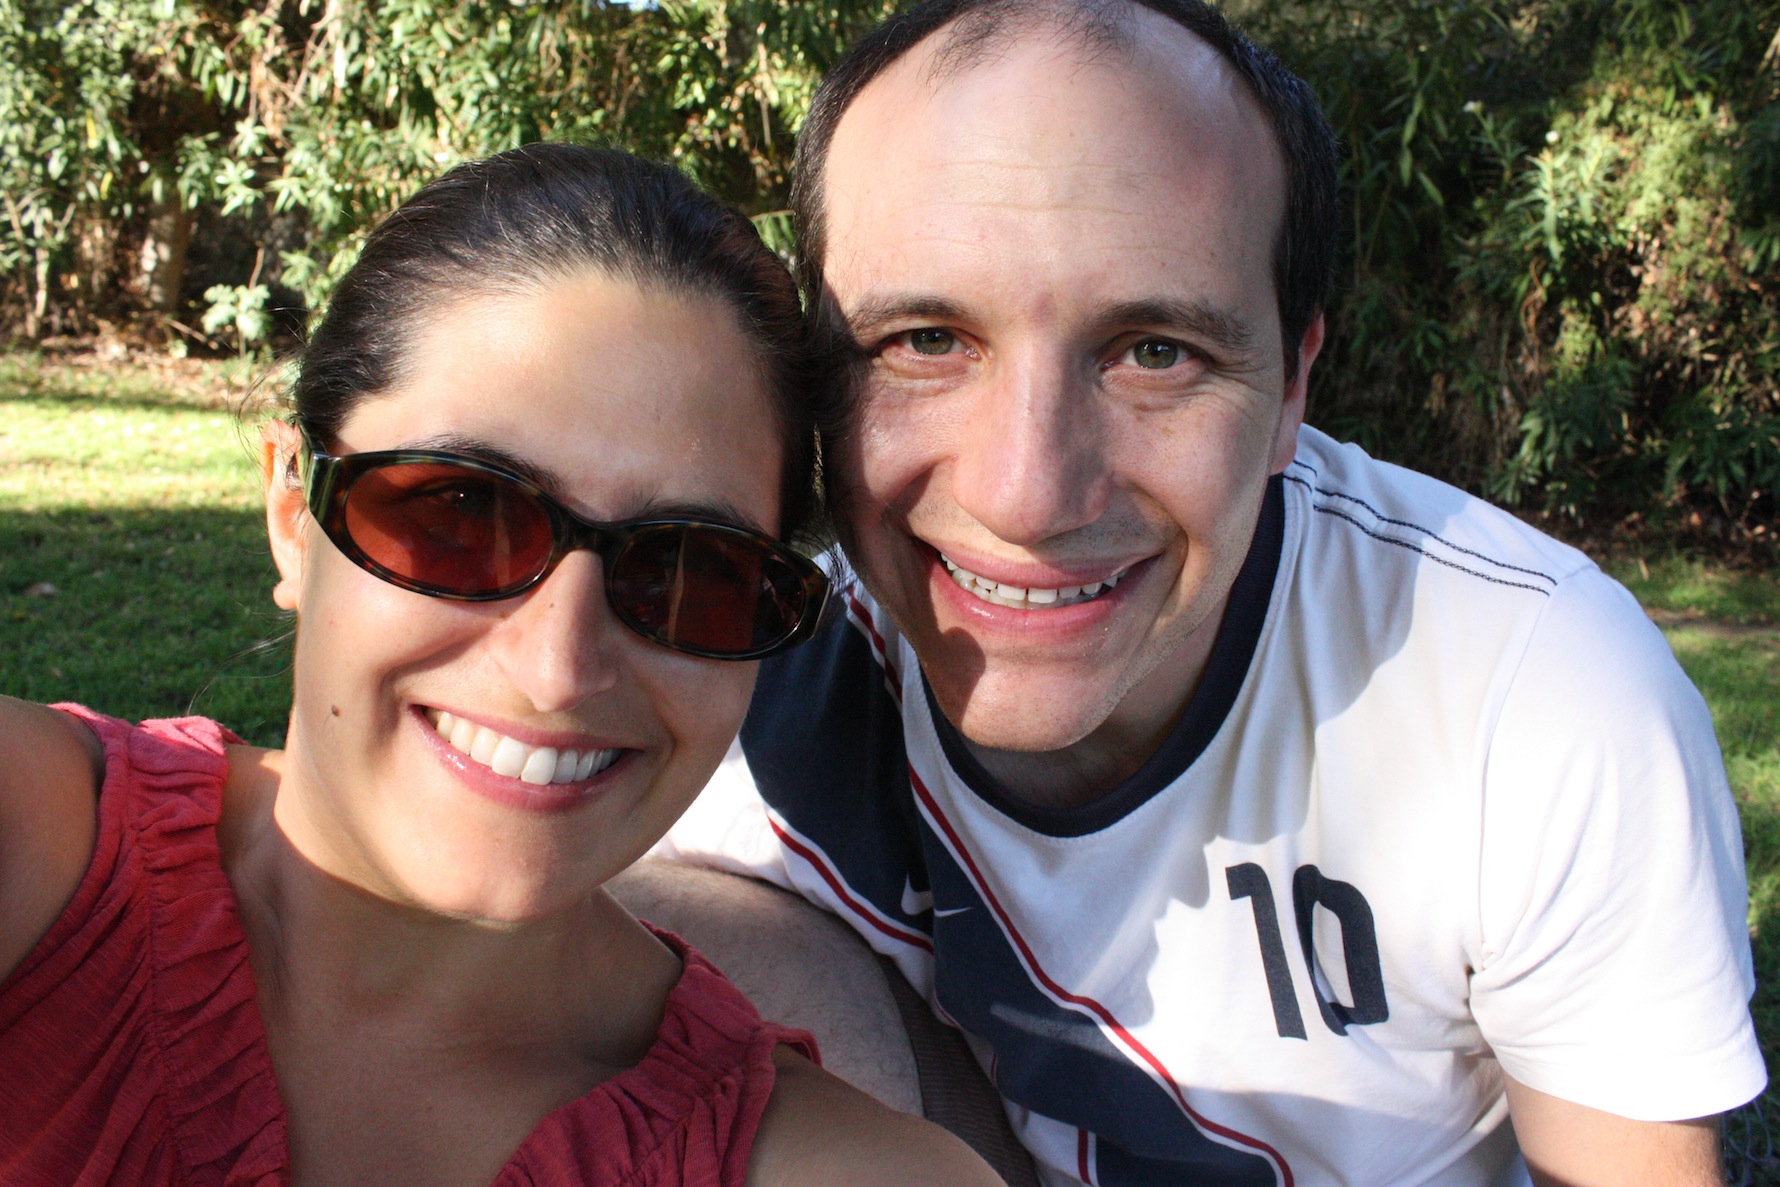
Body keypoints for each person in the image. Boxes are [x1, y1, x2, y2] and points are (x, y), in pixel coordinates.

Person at [654, 2, 1768, 1185]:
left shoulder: (1527, 686)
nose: (1027, 495)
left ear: (1291, 388)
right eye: (924, 340)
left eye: (1155, 352)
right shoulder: (732, 681)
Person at [0, 143, 1000, 1187]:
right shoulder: (40, 860)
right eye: (460, 510)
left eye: (687, 570)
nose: (558, 668)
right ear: (293, 513)